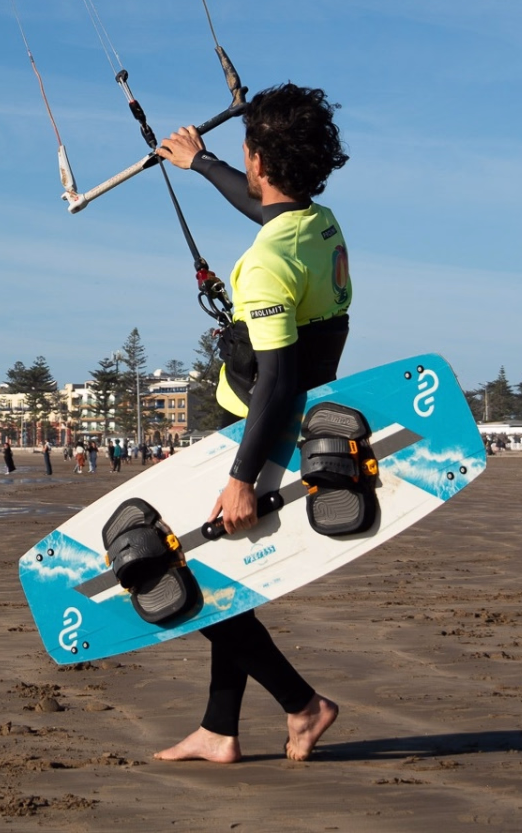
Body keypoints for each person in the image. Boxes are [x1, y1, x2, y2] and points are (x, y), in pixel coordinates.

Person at [150, 82, 350, 766]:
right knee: (224, 578)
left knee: (198, 578)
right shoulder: (317, 227)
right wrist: (200, 163)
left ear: (258, 157)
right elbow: (267, 208)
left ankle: (302, 704)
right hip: (279, 424)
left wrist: (240, 479)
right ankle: (218, 727)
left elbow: (279, 380)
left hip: (259, 437)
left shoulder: (265, 267)